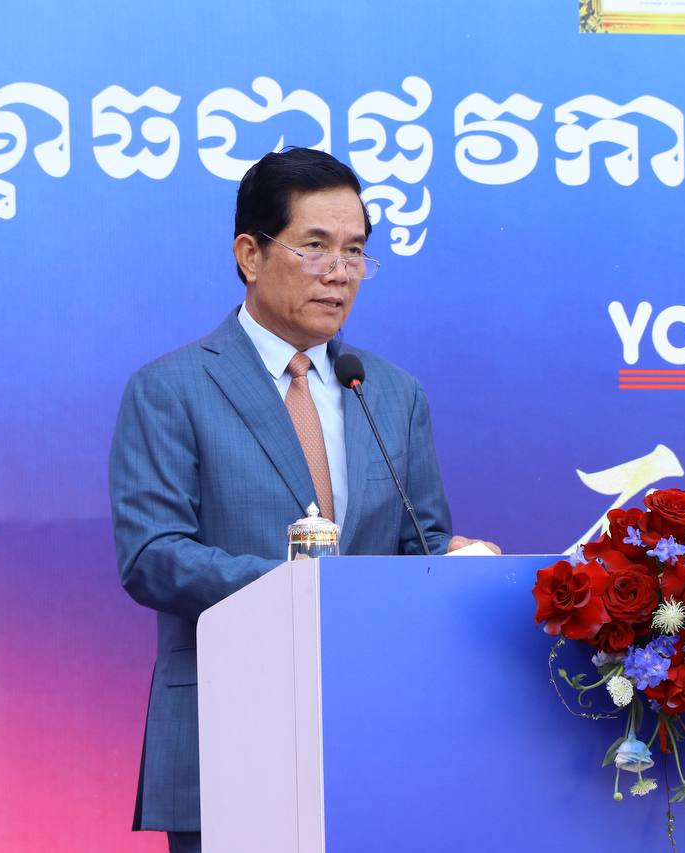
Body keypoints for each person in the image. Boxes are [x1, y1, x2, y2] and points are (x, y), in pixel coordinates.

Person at [109, 147, 497, 853]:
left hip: (375, 733)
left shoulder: (390, 392)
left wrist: (456, 563)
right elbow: (153, 557)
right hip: (229, 730)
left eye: (355, 251)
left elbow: (418, 545)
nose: (340, 272)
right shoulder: (171, 389)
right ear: (250, 255)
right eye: (315, 246)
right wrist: (303, 591)